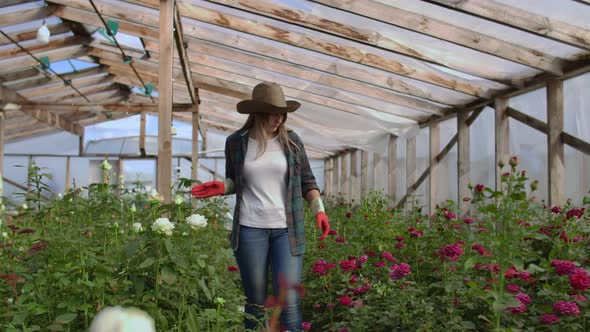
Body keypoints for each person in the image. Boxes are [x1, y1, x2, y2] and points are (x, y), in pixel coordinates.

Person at [192, 81, 330, 331]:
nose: (278, 118)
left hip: (286, 231)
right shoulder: (236, 142)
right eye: (272, 112)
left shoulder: (292, 141)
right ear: (256, 112)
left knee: (288, 300)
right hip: (249, 229)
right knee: (254, 303)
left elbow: (308, 181)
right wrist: (224, 187)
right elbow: (237, 181)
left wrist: (318, 209)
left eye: (282, 112)